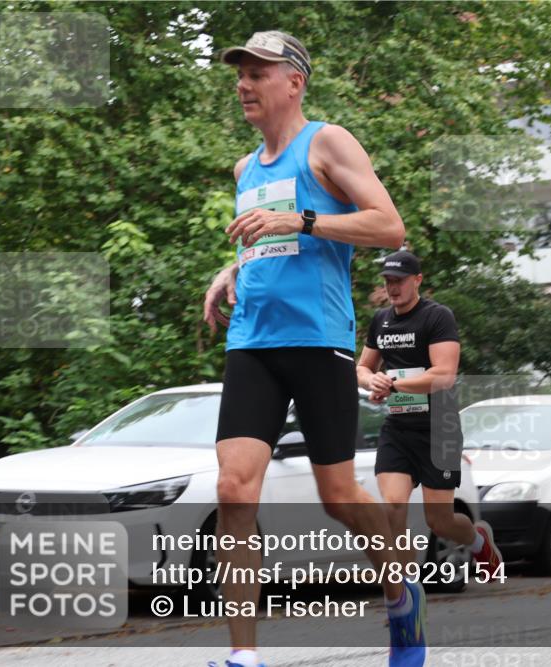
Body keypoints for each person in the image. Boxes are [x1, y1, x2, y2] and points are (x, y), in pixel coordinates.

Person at [202, 31, 423, 667]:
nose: (243, 83)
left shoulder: (326, 142)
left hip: (319, 342)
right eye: (240, 73)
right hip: (253, 344)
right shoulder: (246, 169)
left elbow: (389, 225)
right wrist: (232, 271)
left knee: (338, 497)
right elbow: (265, 243)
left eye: (257, 73)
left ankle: (402, 596)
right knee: (232, 489)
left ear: (293, 82)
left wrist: (301, 219)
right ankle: (245, 657)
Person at [356, 251, 503, 580]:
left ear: (417, 280)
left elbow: (444, 375)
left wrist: (394, 385)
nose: (393, 288)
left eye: (400, 281)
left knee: (441, 521)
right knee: (393, 508)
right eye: (388, 281)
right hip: (399, 429)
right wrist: (372, 380)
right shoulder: (381, 320)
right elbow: (362, 368)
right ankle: (408, 595)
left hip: (440, 428)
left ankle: (478, 540)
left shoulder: (437, 317)